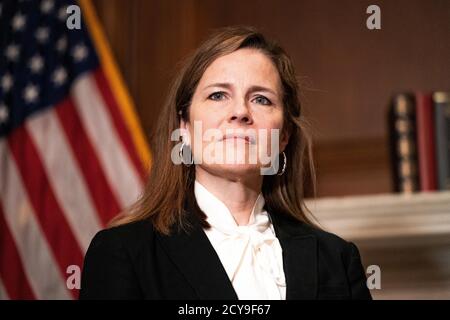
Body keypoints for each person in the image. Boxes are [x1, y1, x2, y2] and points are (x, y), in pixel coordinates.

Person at [79, 26, 372, 300]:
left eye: (261, 99)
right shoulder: (123, 252)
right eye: (218, 95)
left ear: (284, 135)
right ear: (185, 127)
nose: (240, 112)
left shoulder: (338, 260)